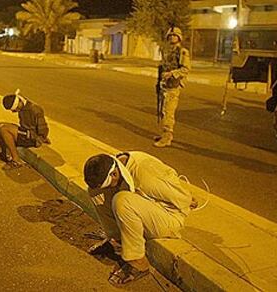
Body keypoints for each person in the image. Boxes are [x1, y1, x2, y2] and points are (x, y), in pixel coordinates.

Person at [83, 151, 197, 285]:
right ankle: (117, 241)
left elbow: (182, 198)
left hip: (169, 217)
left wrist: (189, 200)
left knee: (122, 200)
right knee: (95, 191)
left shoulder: (145, 172)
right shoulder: (116, 166)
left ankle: (138, 261)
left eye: (107, 182)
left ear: (114, 174)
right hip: (147, 209)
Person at [0, 90, 50, 168]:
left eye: (15, 109)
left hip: (32, 137)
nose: (14, 112)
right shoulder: (23, 107)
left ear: (20, 102)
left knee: (4, 129)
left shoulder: (35, 109)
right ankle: (4, 154)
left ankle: (16, 160)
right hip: (25, 133)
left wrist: (42, 138)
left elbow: (43, 129)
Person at [154, 27, 191, 148]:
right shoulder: (167, 51)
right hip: (165, 85)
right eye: (170, 36)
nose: (172, 38)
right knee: (164, 110)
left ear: (179, 37)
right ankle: (165, 134)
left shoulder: (182, 52)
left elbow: (186, 69)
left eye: (174, 36)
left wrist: (172, 74)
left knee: (169, 111)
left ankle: (167, 136)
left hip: (174, 85)